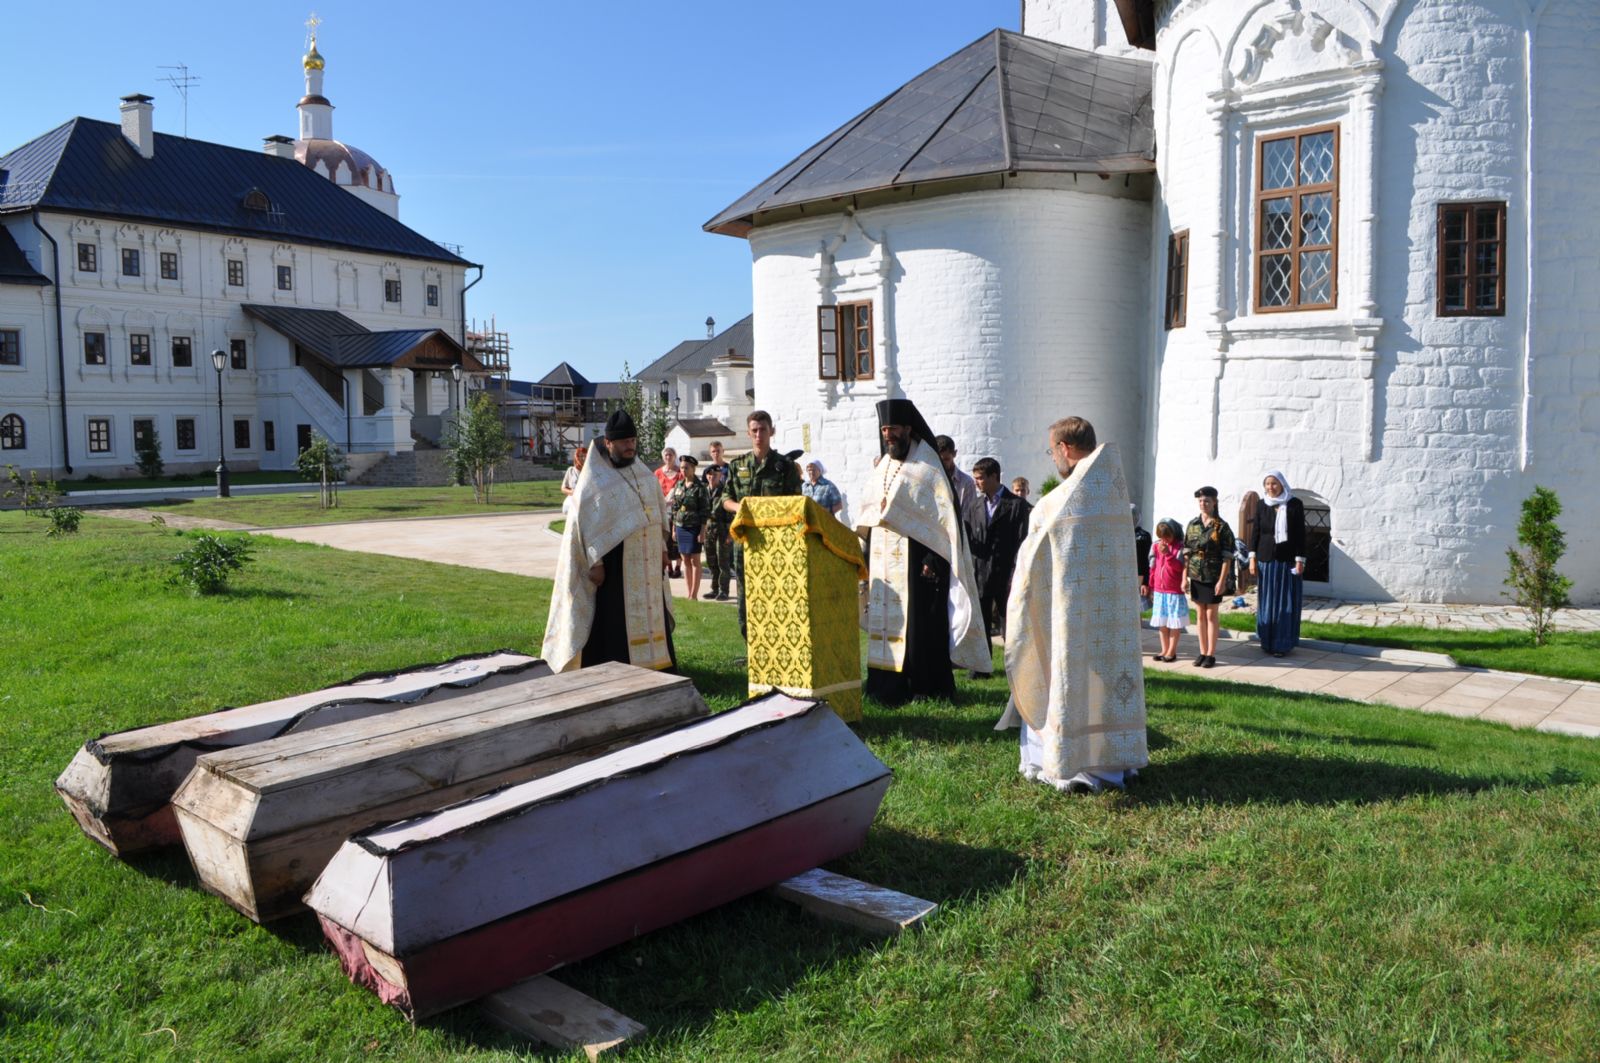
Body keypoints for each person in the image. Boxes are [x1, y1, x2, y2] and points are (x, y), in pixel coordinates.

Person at [998, 416, 1147, 794]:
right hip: (1110, 620)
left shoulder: (1057, 503)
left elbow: (1030, 566)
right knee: (1105, 689)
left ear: (1065, 448)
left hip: (1067, 617)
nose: (1053, 459)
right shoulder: (1112, 492)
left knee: (1065, 682)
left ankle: (1069, 762)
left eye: (1052, 451)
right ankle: (1113, 762)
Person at [855, 399, 991, 705]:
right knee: (886, 624)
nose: (888, 434)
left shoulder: (927, 466)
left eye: (894, 429)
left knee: (920, 629)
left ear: (908, 429)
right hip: (883, 562)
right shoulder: (885, 466)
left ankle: (924, 687)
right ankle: (884, 688)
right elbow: (868, 510)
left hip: (918, 562)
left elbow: (944, 520)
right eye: (885, 429)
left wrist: (933, 559)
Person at [542, 409, 675, 673]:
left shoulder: (644, 475)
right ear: (608, 443)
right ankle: (617, 669)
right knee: (615, 620)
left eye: (633, 441)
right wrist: (596, 562)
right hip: (615, 566)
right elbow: (586, 526)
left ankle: (659, 667)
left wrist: (662, 549)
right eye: (625, 442)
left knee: (652, 616)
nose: (630, 447)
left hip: (647, 566)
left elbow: (657, 515)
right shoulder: (595, 481)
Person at [722, 410, 802, 639]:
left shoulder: (785, 467)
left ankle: (778, 642)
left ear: (772, 431)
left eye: (763, 430)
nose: (759, 435)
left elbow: (796, 503)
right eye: (754, 430)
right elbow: (724, 499)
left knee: (777, 594)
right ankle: (750, 644)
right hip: (746, 543)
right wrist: (739, 508)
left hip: (776, 544)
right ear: (748, 433)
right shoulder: (738, 466)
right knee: (746, 595)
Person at [961, 457, 1030, 673]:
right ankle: (981, 666)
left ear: (994, 477)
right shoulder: (974, 506)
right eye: (975, 478)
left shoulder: (1017, 506)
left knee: (1010, 622)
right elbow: (969, 537)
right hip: (980, 573)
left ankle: (1016, 668)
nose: (977, 483)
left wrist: (1017, 571)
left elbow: (1023, 541)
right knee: (980, 622)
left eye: (981, 478)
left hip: (1007, 574)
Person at [1249, 470, 1307, 656]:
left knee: (1284, 602)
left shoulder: (1294, 504)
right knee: (1267, 602)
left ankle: (1282, 644)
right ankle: (1267, 641)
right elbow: (1256, 532)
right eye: (1267, 484)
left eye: (1274, 483)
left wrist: (1300, 560)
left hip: (1286, 561)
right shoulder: (1261, 504)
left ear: (1282, 484)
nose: (1270, 487)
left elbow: (1300, 535)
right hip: (1266, 559)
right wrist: (1252, 558)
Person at [1183, 486, 1235, 669]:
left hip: (1213, 575)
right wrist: (1184, 577)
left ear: (1214, 503)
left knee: (1211, 614)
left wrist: (1222, 580)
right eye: (1200, 501)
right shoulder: (1193, 524)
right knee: (1199, 614)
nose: (1203, 504)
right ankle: (1202, 652)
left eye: (1207, 501)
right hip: (1196, 574)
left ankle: (1211, 654)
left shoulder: (1222, 527)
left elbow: (1227, 556)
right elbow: (1187, 552)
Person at [1144, 519, 1187, 662]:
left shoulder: (1180, 548)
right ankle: (1164, 649)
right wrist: (1150, 585)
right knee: (1162, 623)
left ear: (1174, 533)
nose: (1164, 540)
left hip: (1173, 590)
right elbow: (1153, 567)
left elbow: (1179, 568)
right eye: (1161, 537)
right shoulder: (1156, 546)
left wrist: (1168, 554)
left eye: (1167, 537)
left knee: (1173, 623)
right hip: (1159, 590)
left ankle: (1172, 651)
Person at [669, 454, 709, 601]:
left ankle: (694, 594)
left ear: (693, 469)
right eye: (681, 468)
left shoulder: (700, 487)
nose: (683, 470)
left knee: (695, 560)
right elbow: (674, 508)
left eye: (686, 468)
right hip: (680, 527)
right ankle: (688, 593)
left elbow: (705, 511)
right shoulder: (679, 485)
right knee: (685, 559)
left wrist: (702, 531)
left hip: (694, 527)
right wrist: (673, 528)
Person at [702, 464, 734, 600]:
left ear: (720, 476)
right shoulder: (704, 491)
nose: (711, 477)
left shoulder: (725, 491)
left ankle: (724, 591)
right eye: (709, 474)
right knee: (711, 561)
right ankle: (714, 589)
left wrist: (730, 534)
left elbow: (732, 515)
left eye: (715, 475)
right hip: (708, 530)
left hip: (722, 529)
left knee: (723, 562)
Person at [654, 446, 683, 579]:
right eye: (666, 455)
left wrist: (674, 500)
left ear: (674, 456)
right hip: (663, 509)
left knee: (676, 538)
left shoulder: (680, 473)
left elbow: (684, 489)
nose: (668, 457)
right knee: (665, 537)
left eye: (670, 454)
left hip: (676, 509)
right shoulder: (658, 473)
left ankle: (678, 567)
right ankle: (669, 567)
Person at [935, 434, 978, 513]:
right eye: (939, 460)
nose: (942, 464)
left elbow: (969, 515)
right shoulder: (928, 478)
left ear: (954, 454)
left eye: (946, 459)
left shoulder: (966, 483)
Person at [1132, 503, 1153, 612]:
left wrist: (1145, 582)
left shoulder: (1143, 536)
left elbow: (1146, 561)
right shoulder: (1119, 534)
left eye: (1133, 516)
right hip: (1121, 574)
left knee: (1136, 610)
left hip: (1138, 576)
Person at [559, 444, 585, 516]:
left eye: (584, 456)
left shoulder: (590, 471)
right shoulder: (571, 470)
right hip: (573, 499)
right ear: (576, 457)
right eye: (580, 456)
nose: (582, 458)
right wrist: (572, 492)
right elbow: (563, 488)